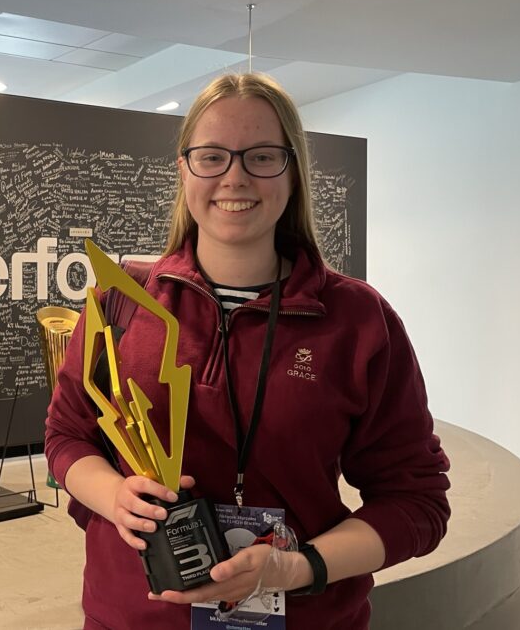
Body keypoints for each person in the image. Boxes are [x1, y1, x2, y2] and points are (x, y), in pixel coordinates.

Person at [44, 72, 450, 629]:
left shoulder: (358, 320)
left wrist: (296, 567)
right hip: (132, 617)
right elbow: (67, 435)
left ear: (292, 171)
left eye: (261, 156)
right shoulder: (121, 303)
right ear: (184, 169)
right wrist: (114, 494)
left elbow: (417, 502)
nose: (234, 177)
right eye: (211, 156)